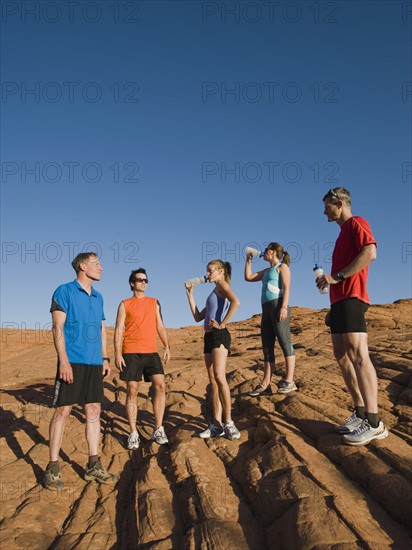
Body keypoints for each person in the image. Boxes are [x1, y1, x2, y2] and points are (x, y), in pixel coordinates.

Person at [316, 187, 388, 446]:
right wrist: (331, 294)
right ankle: (359, 413)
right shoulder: (340, 236)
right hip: (339, 302)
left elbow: (370, 253)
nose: (324, 211)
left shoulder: (357, 222)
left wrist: (337, 277)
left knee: (359, 355)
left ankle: (374, 422)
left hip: (353, 298)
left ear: (338, 203)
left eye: (327, 206)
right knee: (342, 356)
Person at [44, 253, 117, 491]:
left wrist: (105, 358)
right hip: (72, 361)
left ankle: (93, 464)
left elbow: (101, 328)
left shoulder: (98, 296)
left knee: (93, 409)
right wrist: (63, 361)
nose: (102, 268)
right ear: (83, 266)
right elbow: (57, 327)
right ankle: (53, 467)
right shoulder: (64, 291)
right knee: (64, 410)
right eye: (97, 264)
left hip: (94, 363)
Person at [114, 268, 171, 449]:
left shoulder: (154, 303)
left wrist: (167, 346)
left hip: (150, 351)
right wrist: (117, 353)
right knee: (132, 390)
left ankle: (158, 428)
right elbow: (118, 330)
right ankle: (133, 432)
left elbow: (160, 326)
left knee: (160, 385)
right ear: (132, 283)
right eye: (140, 280)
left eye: (146, 280)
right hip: (131, 351)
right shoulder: (124, 304)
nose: (144, 283)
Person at [185, 260, 241, 440]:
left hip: (219, 335)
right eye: (207, 271)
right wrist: (190, 294)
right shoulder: (213, 290)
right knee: (213, 380)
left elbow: (236, 302)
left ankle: (229, 422)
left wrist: (223, 323)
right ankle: (216, 425)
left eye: (210, 271)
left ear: (220, 272)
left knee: (219, 376)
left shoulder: (222, 285)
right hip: (208, 336)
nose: (207, 274)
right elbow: (197, 317)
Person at [244, 243, 297, 395]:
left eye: (266, 250)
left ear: (272, 252)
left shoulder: (282, 267)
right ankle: (265, 384)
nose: (264, 252)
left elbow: (287, 288)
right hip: (266, 309)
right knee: (267, 346)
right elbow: (248, 277)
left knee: (284, 341)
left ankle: (289, 380)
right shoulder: (267, 271)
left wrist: (284, 307)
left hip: (278, 305)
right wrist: (248, 260)